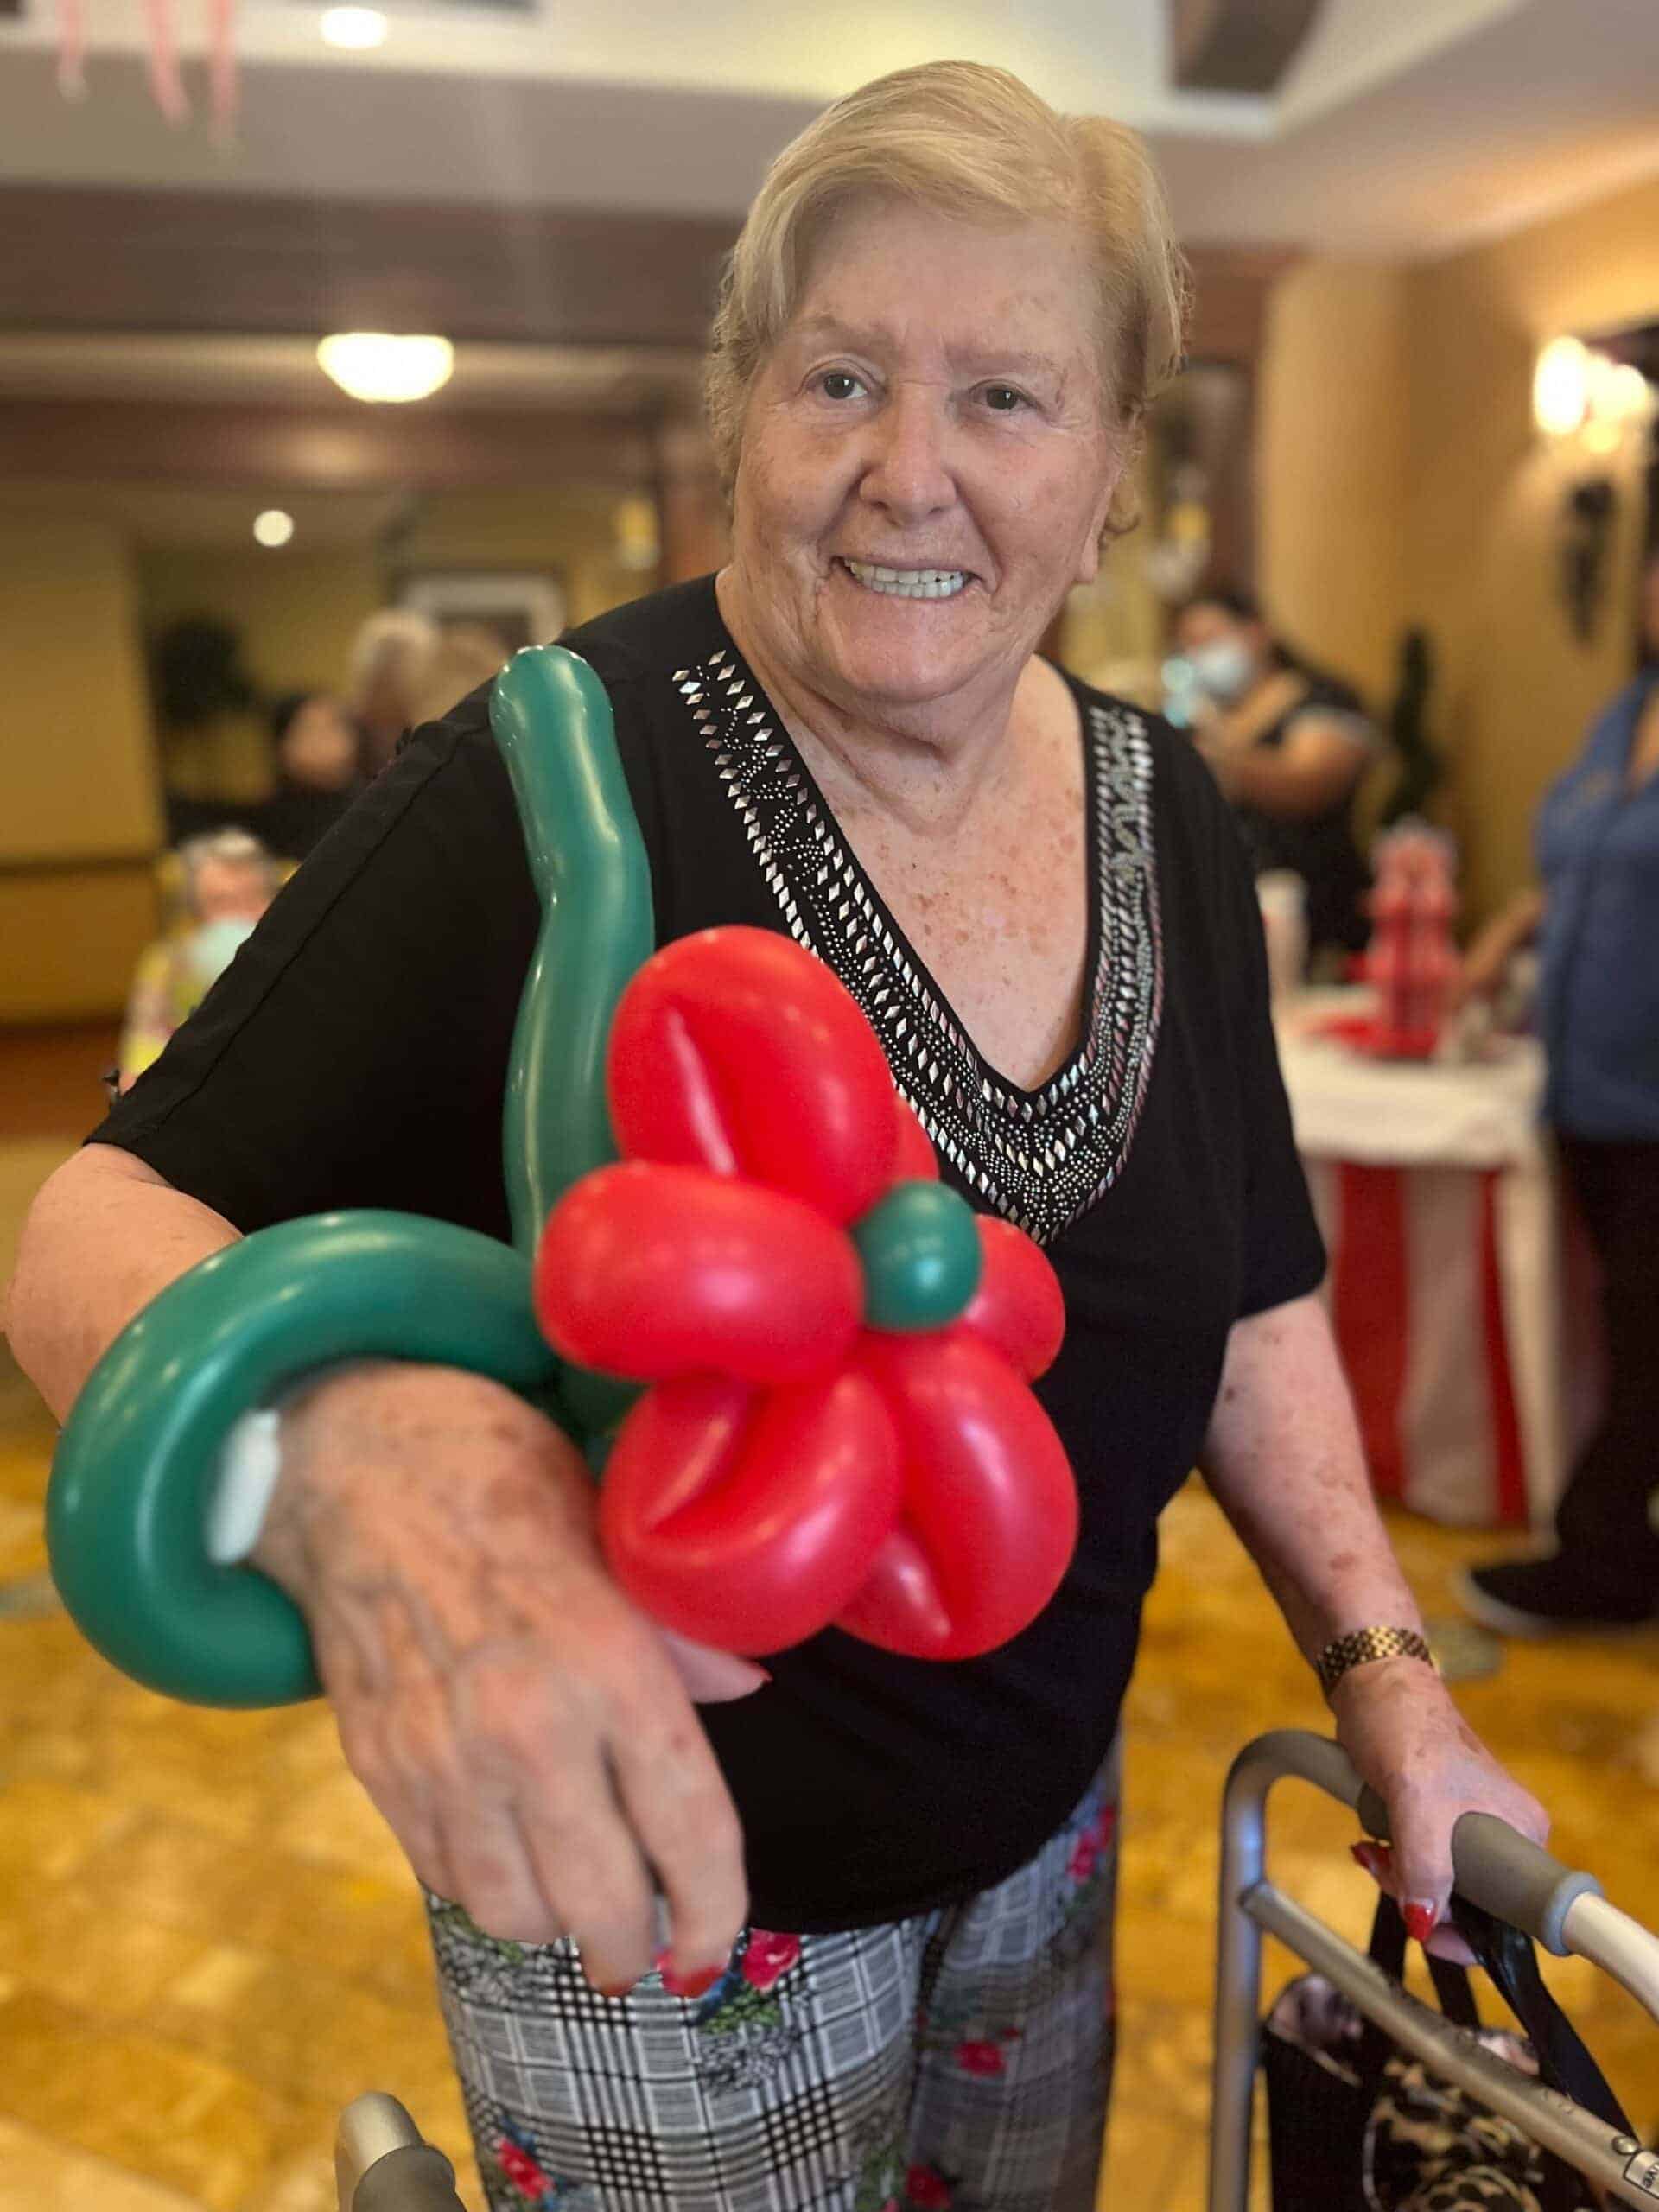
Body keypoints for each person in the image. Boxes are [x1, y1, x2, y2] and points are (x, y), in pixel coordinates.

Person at [7, 63, 1543, 2212]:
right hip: (656, 1902)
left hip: (1046, 1838)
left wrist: (1381, 1663)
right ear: (748, 411)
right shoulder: (550, 776)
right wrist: (340, 1436)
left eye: (1005, 398)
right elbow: (88, 1220)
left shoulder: (1165, 805)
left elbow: (1254, 1284)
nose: (906, 472)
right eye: (840, 376)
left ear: (1107, 480)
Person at [1455, 547, 1659, 1635]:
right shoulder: (1622, 712)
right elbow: (1580, 864)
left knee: (1643, 1343)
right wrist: (1507, 928)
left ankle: (1605, 1559)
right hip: (1584, 1089)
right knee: (1626, 1337)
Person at [1173, 585, 1378, 962]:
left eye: (1209, 639)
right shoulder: (1206, 717)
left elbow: (1308, 782)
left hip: (1319, 923)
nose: (1198, 654)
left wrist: (1216, 762)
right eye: (1188, 645)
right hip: (1233, 925)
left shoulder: (1323, 699)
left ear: (1256, 633)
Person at [116, 829, 280, 1090]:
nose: (239, 914)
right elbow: (144, 1047)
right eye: (220, 902)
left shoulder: (296, 953)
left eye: (252, 897)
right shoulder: (168, 963)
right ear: (196, 911)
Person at [252, 691, 364, 861]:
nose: (330, 741)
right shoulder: (264, 823)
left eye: (336, 727)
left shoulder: (372, 805)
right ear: (283, 744)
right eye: (312, 730)